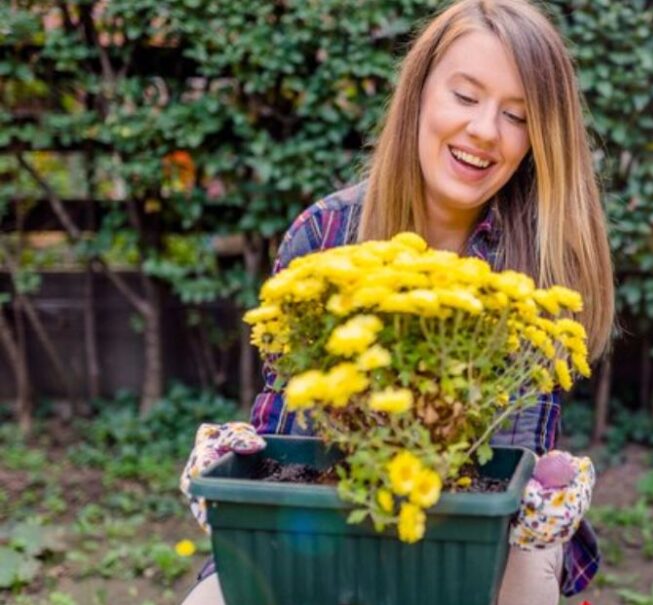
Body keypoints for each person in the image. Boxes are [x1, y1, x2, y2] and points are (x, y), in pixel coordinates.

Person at [178, 0, 614, 603]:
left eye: (516, 115)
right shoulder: (326, 236)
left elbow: (504, 465)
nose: (485, 130)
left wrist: (540, 494)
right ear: (419, 96)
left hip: (479, 534)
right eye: (464, 97)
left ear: (538, 140)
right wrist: (235, 480)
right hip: (332, 513)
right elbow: (295, 442)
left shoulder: (539, 268)